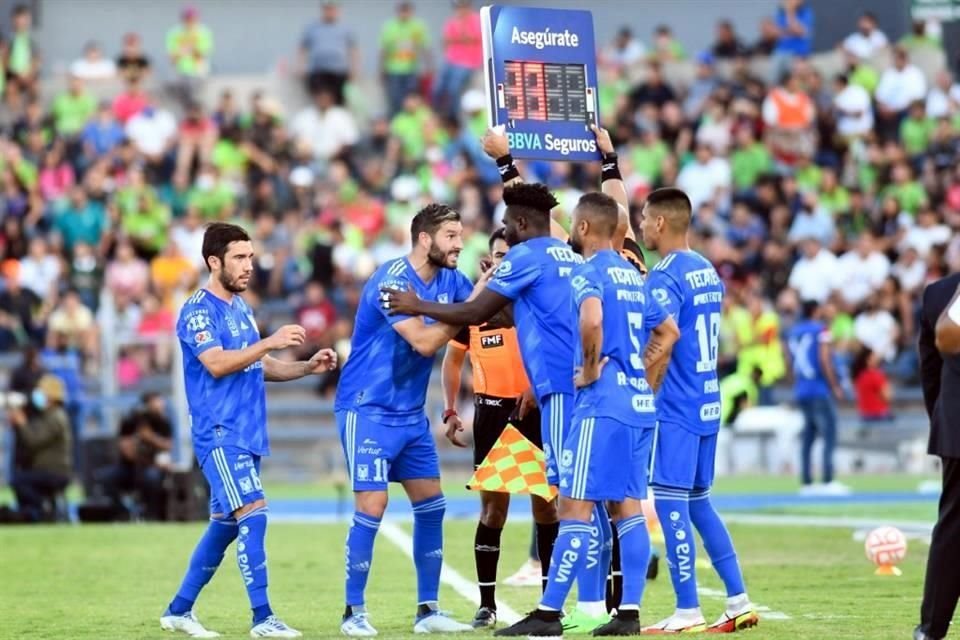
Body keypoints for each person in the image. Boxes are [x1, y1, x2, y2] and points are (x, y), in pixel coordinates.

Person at [494, 192, 679, 637]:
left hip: (603, 407)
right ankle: (628, 614)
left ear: (582, 229)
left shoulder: (589, 271)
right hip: (638, 404)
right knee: (627, 508)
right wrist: (639, 368)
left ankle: (548, 613)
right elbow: (668, 331)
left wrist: (592, 367)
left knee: (573, 505)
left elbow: (591, 320)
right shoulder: (636, 276)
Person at [160, 222, 338, 639]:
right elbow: (219, 363)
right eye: (239, 258)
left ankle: (178, 610)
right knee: (254, 514)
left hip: (246, 432)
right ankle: (263, 618)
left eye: (251, 257)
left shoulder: (241, 308)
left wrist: (305, 367)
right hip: (219, 433)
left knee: (224, 523)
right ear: (213, 261)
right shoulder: (198, 310)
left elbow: (257, 364)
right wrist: (270, 341)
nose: (248, 266)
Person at [335, 204, 477, 636]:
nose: (460, 244)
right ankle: (353, 613)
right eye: (451, 236)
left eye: (460, 234)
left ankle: (428, 611)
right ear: (424, 239)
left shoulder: (454, 280)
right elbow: (422, 342)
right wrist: (469, 308)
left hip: (410, 413)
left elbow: (485, 315)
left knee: (432, 504)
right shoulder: (391, 280)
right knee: (373, 506)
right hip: (368, 408)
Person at [638, 188, 758, 633]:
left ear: (663, 223)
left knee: (670, 504)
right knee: (700, 503)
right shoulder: (707, 269)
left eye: (646, 218)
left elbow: (664, 339)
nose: (642, 225)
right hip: (708, 398)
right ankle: (738, 599)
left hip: (677, 403)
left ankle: (687, 609)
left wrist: (643, 387)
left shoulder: (665, 276)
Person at [441, 227, 557, 628]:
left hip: (534, 410)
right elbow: (452, 361)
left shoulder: (534, 300)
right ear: (487, 258)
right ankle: (486, 603)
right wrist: (449, 409)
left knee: (546, 505)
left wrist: (535, 386)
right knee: (493, 509)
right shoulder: (476, 307)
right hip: (491, 415)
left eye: (511, 254)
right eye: (499, 254)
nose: (503, 261)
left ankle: (549, 601)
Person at [915, 275, 960, 640]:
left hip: (956, 425)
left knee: (952, 528)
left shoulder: (938, 294)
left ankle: (931, 629)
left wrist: (943, 421)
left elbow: (930, 371)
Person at [786, 300, 845, 494]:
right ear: (815, 310)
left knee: (809, 435)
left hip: (802, 388)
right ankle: (828, 479)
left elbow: (790, 359)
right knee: (829, 432)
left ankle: (807, 481)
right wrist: (835, 385)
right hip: (819, 388)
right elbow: (824, 359)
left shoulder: (794, 332)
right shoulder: (822, 330)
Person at [8, 374, 72, 523]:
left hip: (54, 471)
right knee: (20, 477)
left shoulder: (56, 417)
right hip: (43, 469)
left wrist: (22, 423)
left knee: (19, 481)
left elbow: (33, 441)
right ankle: (30, 512)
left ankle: (41, 508)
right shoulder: (46, 415)